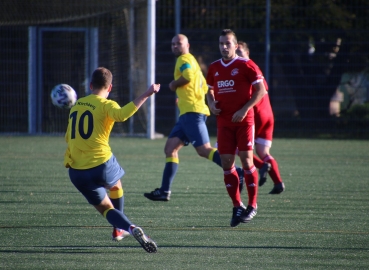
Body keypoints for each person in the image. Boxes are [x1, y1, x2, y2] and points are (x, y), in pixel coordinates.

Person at [64, 67, 159, 253]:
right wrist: (147, 93)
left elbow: (68, 137)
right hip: (101, 165)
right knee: (115, 184)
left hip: (77, 172)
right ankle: (120, 228)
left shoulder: (77, 105)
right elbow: (123, 114)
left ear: (91, 85)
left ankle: (126, 228)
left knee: (107, 209)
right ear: (110, 88)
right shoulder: (107, 105)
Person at [144, 34, 244, 201]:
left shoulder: (183, 60)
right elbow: (203, 86)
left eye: (179, 43)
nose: (175, 46)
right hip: (187, 113)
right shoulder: (192, 61)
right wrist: (184, 98)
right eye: (173, 44)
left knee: (204, 150)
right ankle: (164, 191)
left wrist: (173, 84)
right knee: (170, 149)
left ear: (187, 45)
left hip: (192, 113)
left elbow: (188, 77)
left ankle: (238, 172)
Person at [206, 29, 267, 227]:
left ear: (236, 46)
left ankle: (253, 205)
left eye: (228, 43)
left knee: (247, 160)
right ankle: (237, 205)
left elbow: (261, 90)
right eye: (221, 43)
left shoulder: (246, 65)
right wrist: (211, 103)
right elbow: (209, 90)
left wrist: (245, 109)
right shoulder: (214, 67)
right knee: (226, 162)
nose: (224, 47)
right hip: (223, 122)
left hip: (244, 121)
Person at [236, 41, 285, 194]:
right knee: (263, 152)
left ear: (247, 53)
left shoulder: (246, 68)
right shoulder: (254, 67)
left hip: (256, 115)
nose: (238, 57)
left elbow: (257, 91)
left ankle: (261, 166)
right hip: (268, 114)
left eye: (240, 53)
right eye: (236, 54)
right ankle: (278, 184)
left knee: (236, 146)